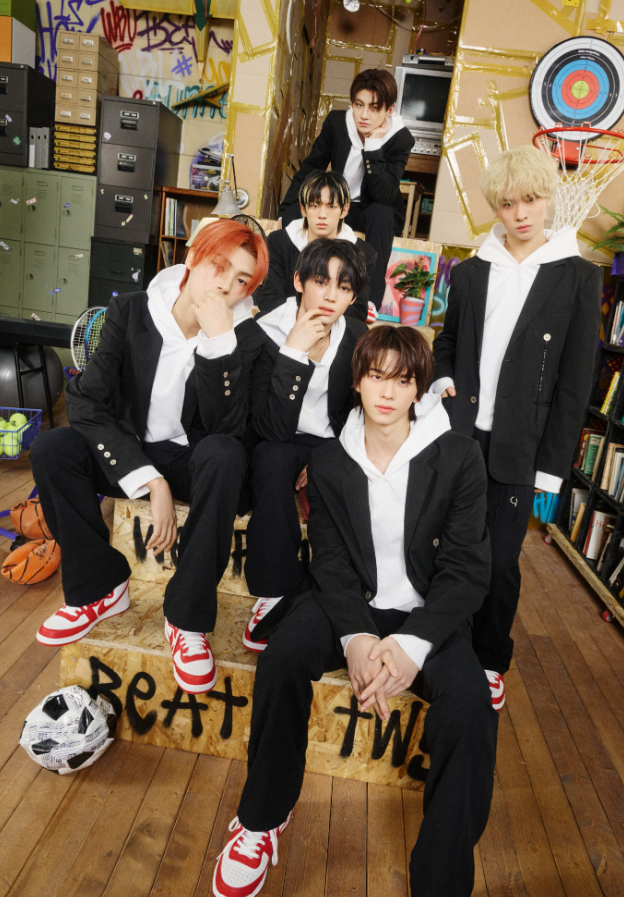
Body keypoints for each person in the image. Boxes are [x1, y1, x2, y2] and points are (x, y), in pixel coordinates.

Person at [212, 325, 497, 897]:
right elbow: (330, 562)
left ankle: (442, 879)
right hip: (349, 602)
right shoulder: (329, 461)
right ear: (358, 382)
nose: (387, 392)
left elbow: (467, 569)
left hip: (427, 615)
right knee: (281, 658)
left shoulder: (459, 456)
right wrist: (357, 639)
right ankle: (261, 820)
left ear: (418, 388)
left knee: (472, 707)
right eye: (375, 376)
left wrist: (410, 647)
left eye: (402, 380)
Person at [30, 219, 269, 696]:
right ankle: (101, 588)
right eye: (219, 266)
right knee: (52, 448)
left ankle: (186, 620)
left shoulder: (245, 337)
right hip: (131, 451)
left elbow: (229, 431)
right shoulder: (134, 311)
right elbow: (86, 401)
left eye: (242, 280)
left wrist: (219, 344)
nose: (226, 285)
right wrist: (150, 480)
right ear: (194, 257)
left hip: (194, 459)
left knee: (225, 455)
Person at [432, 145, 602, 707]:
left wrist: (551, 468)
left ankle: (488, 657)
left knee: (501, 560)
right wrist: (442, 380)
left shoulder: (578, 276)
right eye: (508, 204)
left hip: (521, 444)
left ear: (548, 197)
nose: (521, 213)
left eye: (531, 199)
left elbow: (575, 382)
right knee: (449, 546)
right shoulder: (471, 271)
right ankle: (444, 643)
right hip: (461, 434)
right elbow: (448, 341)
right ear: (496, 208)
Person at [242, 237, 368, 651]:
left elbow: (361, 411)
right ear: (298, 281)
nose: (331, 296)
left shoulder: (356, 336)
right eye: (321, 281)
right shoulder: (264, 332)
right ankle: (273, 590)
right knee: (272, 458)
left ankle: (349, 596)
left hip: (333, 444)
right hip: (278, 438)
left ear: (352, 297)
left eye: (343, 287)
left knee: (350, 474)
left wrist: (329, 456)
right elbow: (269, 427)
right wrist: (293, 352)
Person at [279, 69, 414, 310]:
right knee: (292, 214)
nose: (364, 115)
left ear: (389, 110)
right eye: (359, 105)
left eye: (374, 108)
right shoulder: (337, 123)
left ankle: (368, 301)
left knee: (381, 213)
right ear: (352, 103)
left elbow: (384, 194)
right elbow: (312, 167)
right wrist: (286, 208)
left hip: (371, 209)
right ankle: (292, 293)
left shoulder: (401, 138)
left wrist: (373, 146)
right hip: (336, 205)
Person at [257, 170, 376, 322]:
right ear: (303, 209)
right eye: (314, 206)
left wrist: (319, 323)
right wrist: (300, 323)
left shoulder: (363, 253)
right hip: (285, 324)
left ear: (344, 210)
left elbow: (357, 310)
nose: (322, 215)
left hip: (333, 328)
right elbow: (269, 298)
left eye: (331, 207)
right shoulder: (279, 241)